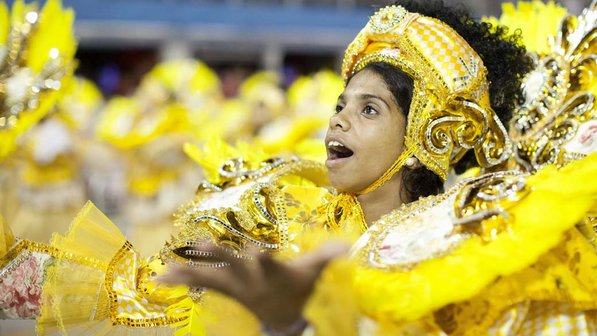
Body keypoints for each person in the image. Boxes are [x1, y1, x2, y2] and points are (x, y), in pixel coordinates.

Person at [1, 1, 596, 336]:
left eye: (370, 110)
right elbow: (138, 291)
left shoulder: (468, 243)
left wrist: (293, 323)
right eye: (341, 105)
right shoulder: (288, 217)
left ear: (426, 137)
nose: (338, 121)